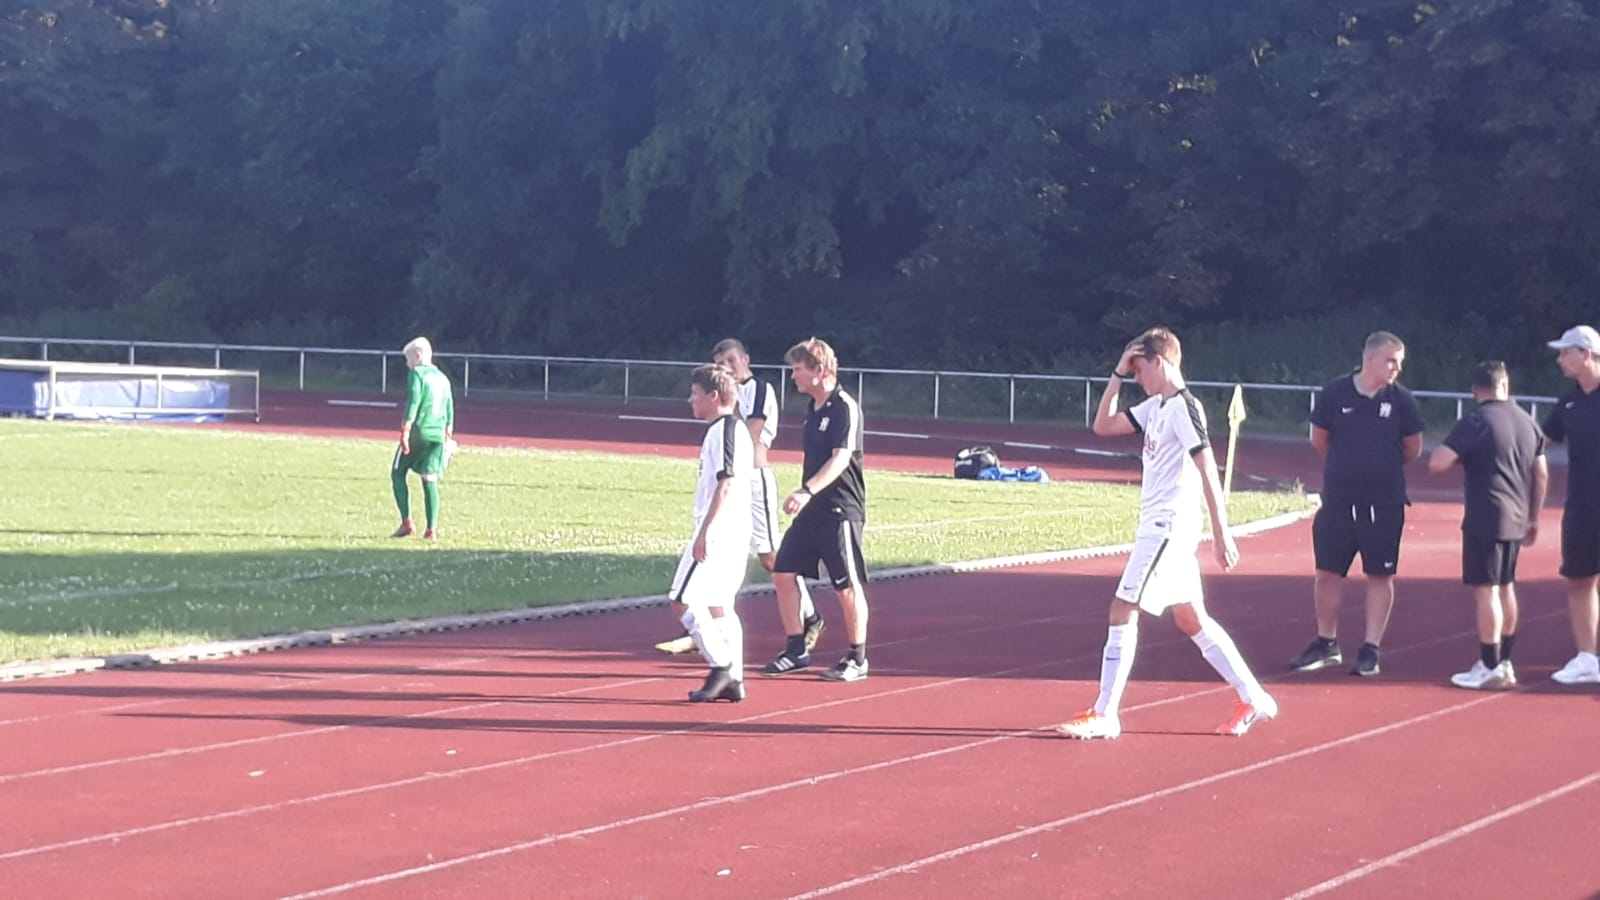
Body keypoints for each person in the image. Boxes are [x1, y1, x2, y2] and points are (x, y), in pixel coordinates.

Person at [1056, 328, 1277, 739]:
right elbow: (1102, 425)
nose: (1137, 377)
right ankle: (1254, 697)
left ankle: (1106, 713)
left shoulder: (1184, 408)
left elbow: (1208, 469)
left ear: (1159, 362)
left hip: (1167, 529)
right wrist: (1117, 374)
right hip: (1159, 528)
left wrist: (1222, 533)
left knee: (1122, 609)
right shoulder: (1154, 407)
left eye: (1140, 369)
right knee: (1192, 619)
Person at [655, 339, 825, 655]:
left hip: (754, 481)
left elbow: (750, 433)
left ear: (745, 359)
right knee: (718, 553)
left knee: (770, 556)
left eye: (732, 361)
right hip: (734, 481)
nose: (728, 368)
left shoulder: (757, 389)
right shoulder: (720, 400)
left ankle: (810, 616)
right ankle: (706, 625)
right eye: (722, 364)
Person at [1289, 331, 1424, 677]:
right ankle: (1326, 642)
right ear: (1370, 359)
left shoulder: (1403, 401)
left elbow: (1413, 448)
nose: (1397, 368)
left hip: (1384, 503)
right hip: (1338, 501)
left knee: (1380, 574)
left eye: (1400, 362)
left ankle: (1370, 648)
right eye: (1391, 361)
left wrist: (1380, 465)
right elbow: (1319, 439)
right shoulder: (1334, 393)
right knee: (1327, 572)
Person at [1427, 361, 1548, 690]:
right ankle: (1504, 660)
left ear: (1474, 391)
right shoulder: (1528, 421)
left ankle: (1489, 663)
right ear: (1505, 385)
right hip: (1517, 516)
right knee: (1506, 586)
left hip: (1486, 516)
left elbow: (1437, 462)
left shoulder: (1476, 421)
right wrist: (1534, 517)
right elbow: (1540, 473)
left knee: (1487, 590)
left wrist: (1463, 456)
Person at [762, 337, 871, 681]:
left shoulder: (844, 407)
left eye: (797, 368)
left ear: (819, 370)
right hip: (812, 511)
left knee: (846, 585)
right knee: (783, 572)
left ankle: (857, 658)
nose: (792, 375)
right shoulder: (813, 408)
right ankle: (796, 649)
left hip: (840, 511)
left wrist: (806, 490)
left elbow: (841, 458)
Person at [667, 363, 754, 702]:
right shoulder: (731, 429)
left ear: (714, 396)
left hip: (720, 530)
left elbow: (726, 482)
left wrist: (705, 531)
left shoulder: (725, 430)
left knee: (682, 598)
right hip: (733, 529)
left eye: (695, 394)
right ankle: (735, 678)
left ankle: (722, 665)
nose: (691, 400)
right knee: (719, 605)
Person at [1541, 324, 1600, 685]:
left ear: (1586, 354)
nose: (1560, 359)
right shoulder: (1568, 402)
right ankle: (1587, 658)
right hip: (1581, 507)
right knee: (1580, 580)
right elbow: (1539, 441)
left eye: (1566, 352)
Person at [391, 337, 455, 541]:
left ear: (418, 356)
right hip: (438, 435)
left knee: (397, 472)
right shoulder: (443, 378)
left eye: (408, 359)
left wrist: (405, 430)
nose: (407, 364)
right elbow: (449, 406)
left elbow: (414, 401)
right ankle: (431, 530)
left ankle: (407, 523)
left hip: (419, 431)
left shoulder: (417, 374)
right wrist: (449, 431)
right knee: (430, 478)